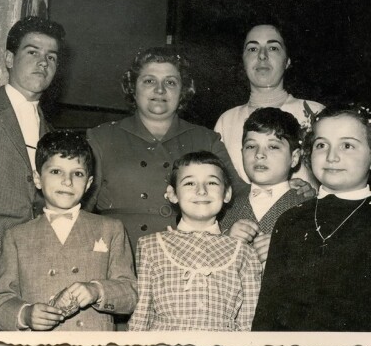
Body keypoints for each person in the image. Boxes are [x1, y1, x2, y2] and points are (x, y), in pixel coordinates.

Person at [86, 47, 246, 254]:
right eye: (149, 81)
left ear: (183, 91)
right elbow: (81, 207)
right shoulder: (101, 138)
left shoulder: (206, 139)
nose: (160, 90)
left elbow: (241, 197)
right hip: (120, 255)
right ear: (133, 88)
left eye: (170, 82)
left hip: (189, 256)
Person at [0, 131, 137, 331]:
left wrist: (97, 291)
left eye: (78, 173)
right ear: (37, 179)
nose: (67, 181)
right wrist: (26, 314)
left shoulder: (111, 229)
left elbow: (131, 293)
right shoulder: (16, 236)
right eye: (56, 171)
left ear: (89, 184)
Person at [0, 16, 66, 331]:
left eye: (51, 57)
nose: (43, 63)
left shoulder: (52, 134)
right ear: (9, 59)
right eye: (33, 52)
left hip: (30, 278)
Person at [252, 104, 371, 331]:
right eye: (321, 145)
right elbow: (268, 311)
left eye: (347, 145)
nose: (332, 156)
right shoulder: (290, 221)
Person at [128, 151, 262, 331]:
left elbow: (249, 322)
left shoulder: (245, 253)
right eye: (190, 183)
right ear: (173, 194)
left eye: (212, 182)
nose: (201, 191)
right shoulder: (151, 246)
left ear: (227, 193)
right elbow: (142, 313)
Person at [215, 23, 324, 185]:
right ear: (243, 61)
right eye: (252, 49)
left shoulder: (315, 113)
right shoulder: (227, 121)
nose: (262, 56)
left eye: (273, 48)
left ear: (287, 61)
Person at [220, 108, 312, 265]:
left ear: (295, 157)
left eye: (273, 146)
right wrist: (224, 242)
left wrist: (287, 251)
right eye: (251, 146)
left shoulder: (310, 207)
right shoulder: (224, 208)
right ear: (241, 153)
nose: (259, 154)